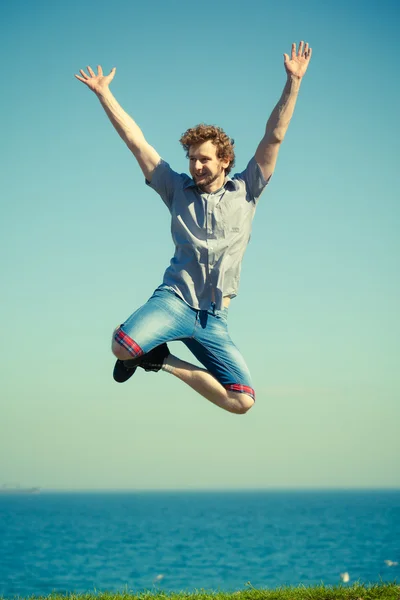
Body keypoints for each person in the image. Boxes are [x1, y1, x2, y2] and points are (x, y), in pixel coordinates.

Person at [75, 41, 312, 415]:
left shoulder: (248, 189)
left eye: (204, 159)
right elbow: (137, 143)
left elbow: (275, 136)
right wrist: (105, 94)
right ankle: (139, 351)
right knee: (121, 347)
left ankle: (160, 360)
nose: (197, 166)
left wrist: (293, 82)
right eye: (192, 159)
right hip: (173, 301)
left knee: (242, 401)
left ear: (224, 160)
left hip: (214, 318)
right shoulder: (176, 188)